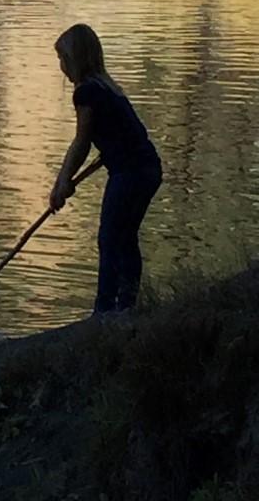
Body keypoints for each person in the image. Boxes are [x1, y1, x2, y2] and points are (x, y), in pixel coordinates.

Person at [50, 23, 162, 315]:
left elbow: (82, 142)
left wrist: (61, 182)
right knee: (126, 237)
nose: (61, 67)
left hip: (130, 173)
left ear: (76, 59)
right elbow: (125, 133)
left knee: (110, 238)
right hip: (148, 168)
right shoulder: (109, 87)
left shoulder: (87, 92)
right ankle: (127, 305)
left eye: (63, 59)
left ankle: (104, 311)